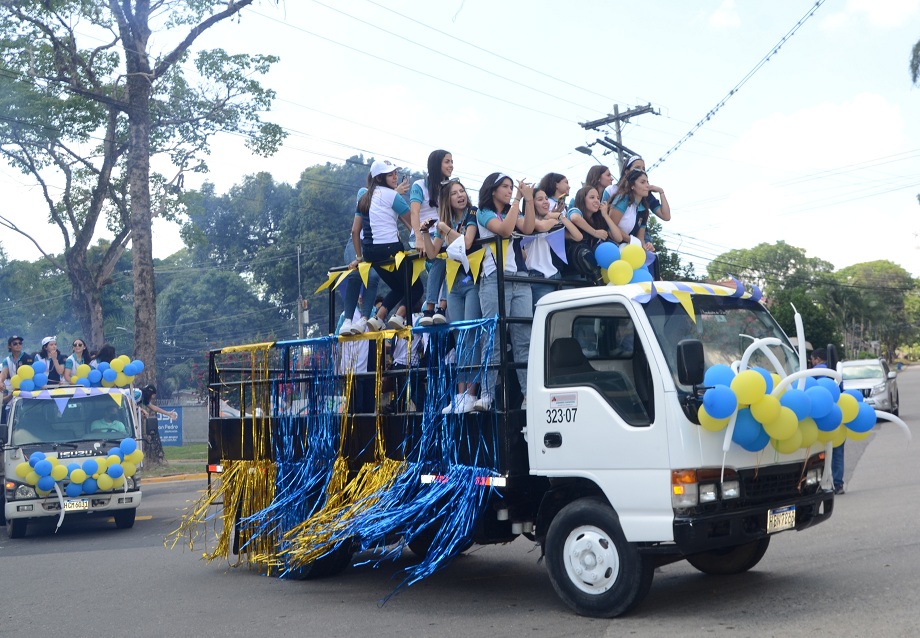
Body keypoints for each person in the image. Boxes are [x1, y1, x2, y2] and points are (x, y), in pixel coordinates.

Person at [475, 173, 535, 411]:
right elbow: (505, 230)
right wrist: (518, 201)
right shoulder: (483, 212)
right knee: (493, 338)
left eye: (512, 187)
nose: (510, 190)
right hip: (493, 279)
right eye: (506, 187)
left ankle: (528, 395)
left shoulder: (513, 209)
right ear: (493, 190)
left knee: (524, 339)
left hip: (519, 278)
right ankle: (487, 395)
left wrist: (528, 200)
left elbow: (528, 228)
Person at [422, 179, 482, 414]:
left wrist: (446, 230)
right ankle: (459, 394)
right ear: (447, 199)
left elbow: (467, 242)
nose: (460, 196)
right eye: (455, 193)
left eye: (462, 191)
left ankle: (472, 393)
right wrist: (425, 232)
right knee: (459, 338)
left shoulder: (472, 214)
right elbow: (432, 253)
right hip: (453, 284)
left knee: (471, 335)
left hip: (472, 280)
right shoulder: (445, 222)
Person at [356, 159, 423, 331]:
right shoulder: (392, 195)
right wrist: (420, 241)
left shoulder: (364, 198)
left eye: (395, 173)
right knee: (416, 288)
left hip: (370, 253)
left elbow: (354, 231)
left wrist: (359, 257)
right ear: (379, 178)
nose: (395, 177)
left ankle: (379, 317)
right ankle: (399, 316)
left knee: (399, 287)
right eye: (390, 174)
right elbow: (412, 221)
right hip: (390, 249)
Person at [410, 149, 453, 326]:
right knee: (438, 261)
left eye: (452, 162)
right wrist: (419, 238)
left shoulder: (450, 188)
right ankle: (430, 308)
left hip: (442, 236)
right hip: (422, 235)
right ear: (436, 164)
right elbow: (414, 211)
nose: (451, 166)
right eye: (447, 162)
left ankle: (442, 308)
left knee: (453, 261)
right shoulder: (419, 185)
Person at [525, 185, 583, 307]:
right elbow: (541, 226)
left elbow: (577, 236)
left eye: (546, 198)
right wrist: (553, 218)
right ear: (530, 203)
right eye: (540, 199)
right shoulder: (527, 221)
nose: (546, 202)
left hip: (555, 274)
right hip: (537, 276)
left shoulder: (551, 221)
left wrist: (560, 216)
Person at [339, 187, 380, 336]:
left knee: (374, 276)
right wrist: (359, 256)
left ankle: (363, 318)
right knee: (356, 273)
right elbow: (355, 230)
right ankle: (347, 319)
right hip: (357, 242)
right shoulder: (365, 193)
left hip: (374, 245)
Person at [811, 348, 845, 495]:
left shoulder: (813, 373)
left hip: (818, 420)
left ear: (817, 359)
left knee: (819, 453)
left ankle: (822, 483)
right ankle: (838, 484)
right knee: (837, 451)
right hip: (837, 415)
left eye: (812, 360)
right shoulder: (835, 372)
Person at [1, 335, 34, 419]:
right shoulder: (7, 360)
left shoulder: (28, 358)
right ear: (9, 346)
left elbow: (32, 374)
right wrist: (0, 381)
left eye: (20, 343)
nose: (18, 345)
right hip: (14, 391)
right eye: (15, 343)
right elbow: (4, 373)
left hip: (27, 391)